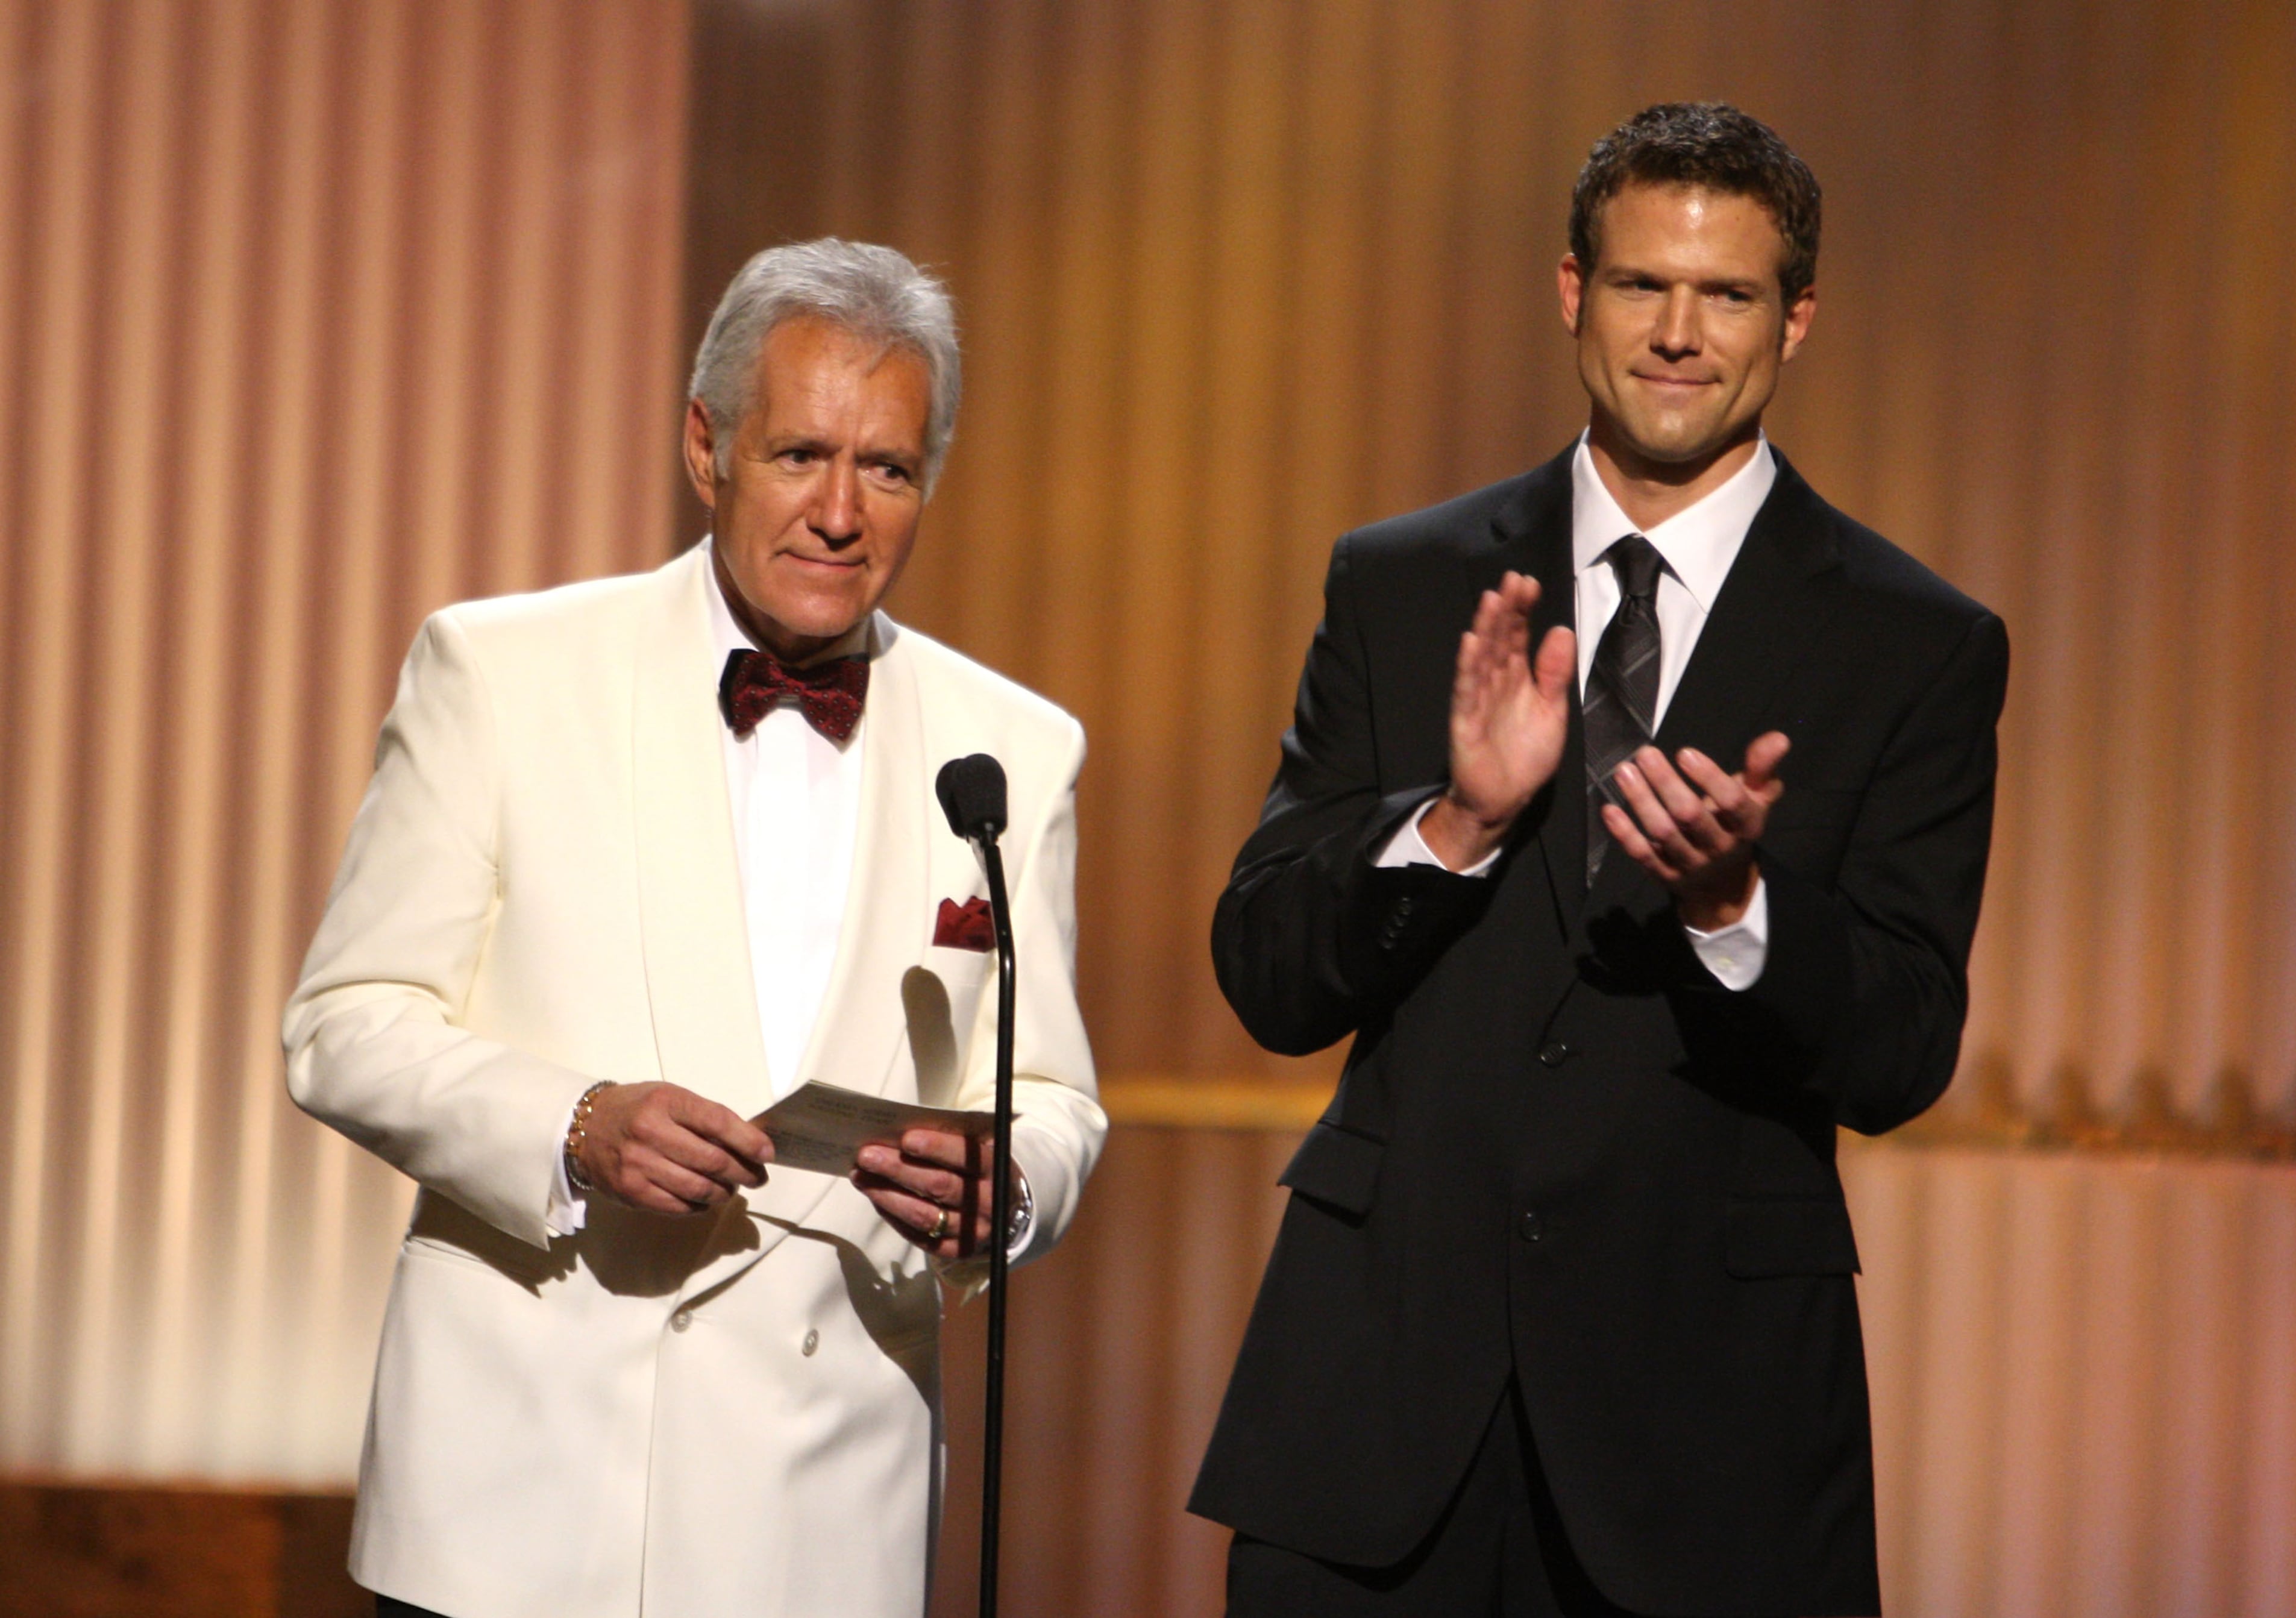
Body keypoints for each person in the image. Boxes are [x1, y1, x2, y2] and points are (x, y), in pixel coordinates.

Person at [1191, 104, 2007, 1617]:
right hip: (1380, 1424)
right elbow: (1268, 970)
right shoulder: (1404, 577)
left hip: (1712, 1452)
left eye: (1730, 294)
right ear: (1574, 292)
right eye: (1642, 286)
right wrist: (1456, 826)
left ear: (1799, 317)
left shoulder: (1916, 641)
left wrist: (1740, 910)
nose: (1679, 334)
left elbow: (1903, 1044)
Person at [285, 239, 1105, 1618]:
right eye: (800, 455)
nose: (841, 512)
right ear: (704, 445)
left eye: (889, 468)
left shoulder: (1013, 746)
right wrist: (574, 1120)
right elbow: (344, 1023)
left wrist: (1009, 1185)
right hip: (523, 1507)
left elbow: (1052, 1095)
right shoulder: (503, 671)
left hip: (829, 1515)